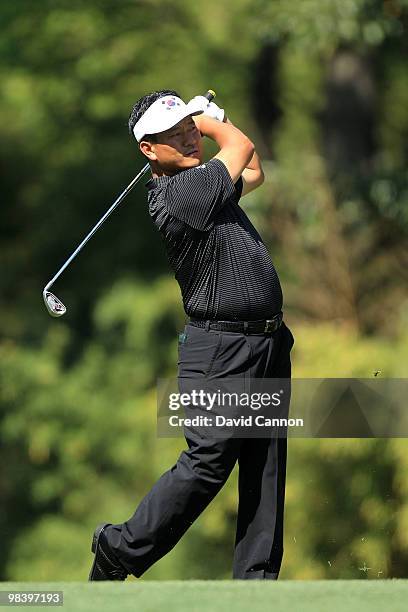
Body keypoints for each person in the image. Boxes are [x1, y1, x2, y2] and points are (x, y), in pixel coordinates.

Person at [89, 90, 295, 581]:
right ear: (148, 150)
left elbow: (254, 170)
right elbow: (241, 145)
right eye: (173, 133)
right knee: (206, 465)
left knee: (265, 465)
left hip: (265, 342)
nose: (186, 136)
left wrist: (209, 121)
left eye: (187, 126)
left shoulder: (203, 183)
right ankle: (118, 551)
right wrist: (210, 120)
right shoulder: (180, 194)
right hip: (220, 351)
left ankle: (257, 585)